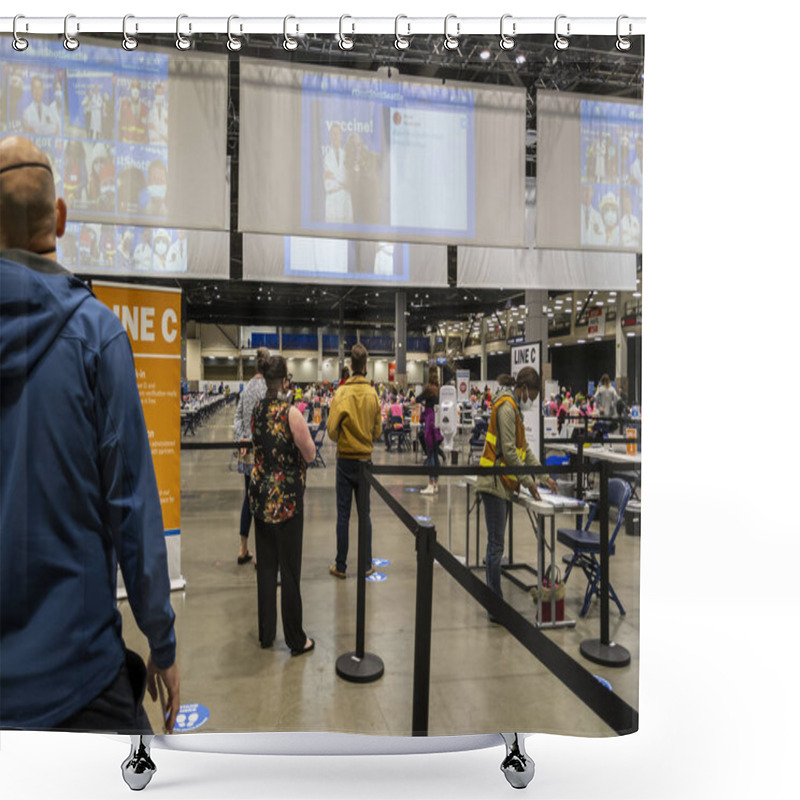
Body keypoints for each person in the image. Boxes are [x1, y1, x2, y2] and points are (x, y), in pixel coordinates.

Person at [0, 135, 180, 733]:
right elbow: (132, 506)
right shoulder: (97, 336)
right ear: (60, 218)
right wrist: (162, 638)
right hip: (78, 675)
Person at [248, 356, 316, 655]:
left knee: (266, 568)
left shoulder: (257, 410)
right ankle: (295, 639)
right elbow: (310, 453)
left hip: (260, 497)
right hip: (287, 501)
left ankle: (266, 634)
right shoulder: (291, 413)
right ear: (286, 381)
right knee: (289, 571)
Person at [476, 368, 558, 609]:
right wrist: (530, 483)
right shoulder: (506, 409)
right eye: (530, 396)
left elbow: (525, 451)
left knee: (496, 545)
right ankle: (495, 605)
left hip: (504, 483)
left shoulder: (514, 409)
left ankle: (495, 600)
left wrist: (544, 477)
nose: (531, 401)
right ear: (522, 389)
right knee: (496, 547)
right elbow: (510, 453)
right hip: (494, 483)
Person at [326, 343, 382, 579]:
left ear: (350, 365)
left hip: (345, 461)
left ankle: (341, 565)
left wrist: (344, 438)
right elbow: (378, 432)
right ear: (366, 366)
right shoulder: (373, 394)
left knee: (343, 515)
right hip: (365, 462)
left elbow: (330, 430)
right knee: (365, 515)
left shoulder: (341, 393)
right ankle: (367, 563)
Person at [232, 347, 269, 566]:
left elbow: (237, 417)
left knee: (248, 498)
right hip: (264, 452)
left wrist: (242, 439)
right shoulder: (268, 389)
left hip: (247, 453)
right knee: (263, 499)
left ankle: (243, 548)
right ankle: (261, 553)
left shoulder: (246, 388)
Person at [323, 123, 353, 224]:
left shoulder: (347, 156)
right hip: (332, 203)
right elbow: (328, 185)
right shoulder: (326, 158)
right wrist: (342, 183)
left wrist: (334, 177)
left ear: (341, 136)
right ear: (330, 137)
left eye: (337, 134)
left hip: (345, 202)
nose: (335, 137)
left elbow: (349, 181)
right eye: (333, 134)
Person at [419, 372, 443, 496]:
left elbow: (418, 398)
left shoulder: (429, 389)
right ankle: (436, 484)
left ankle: (430, 483)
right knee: (435, 453)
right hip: (438, 421)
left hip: (430, 421)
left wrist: (411, 402)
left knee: (430, 454)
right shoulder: (439, 390)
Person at [118, 79, 148, 144]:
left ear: (140, 90)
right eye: (133, 87)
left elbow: (145, 131)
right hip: (126, 145)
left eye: (137, 87)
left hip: (139, 145)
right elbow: (119, 126)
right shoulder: (124, 105)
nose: (135, 89)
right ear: (130, 89)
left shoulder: (144, 108)